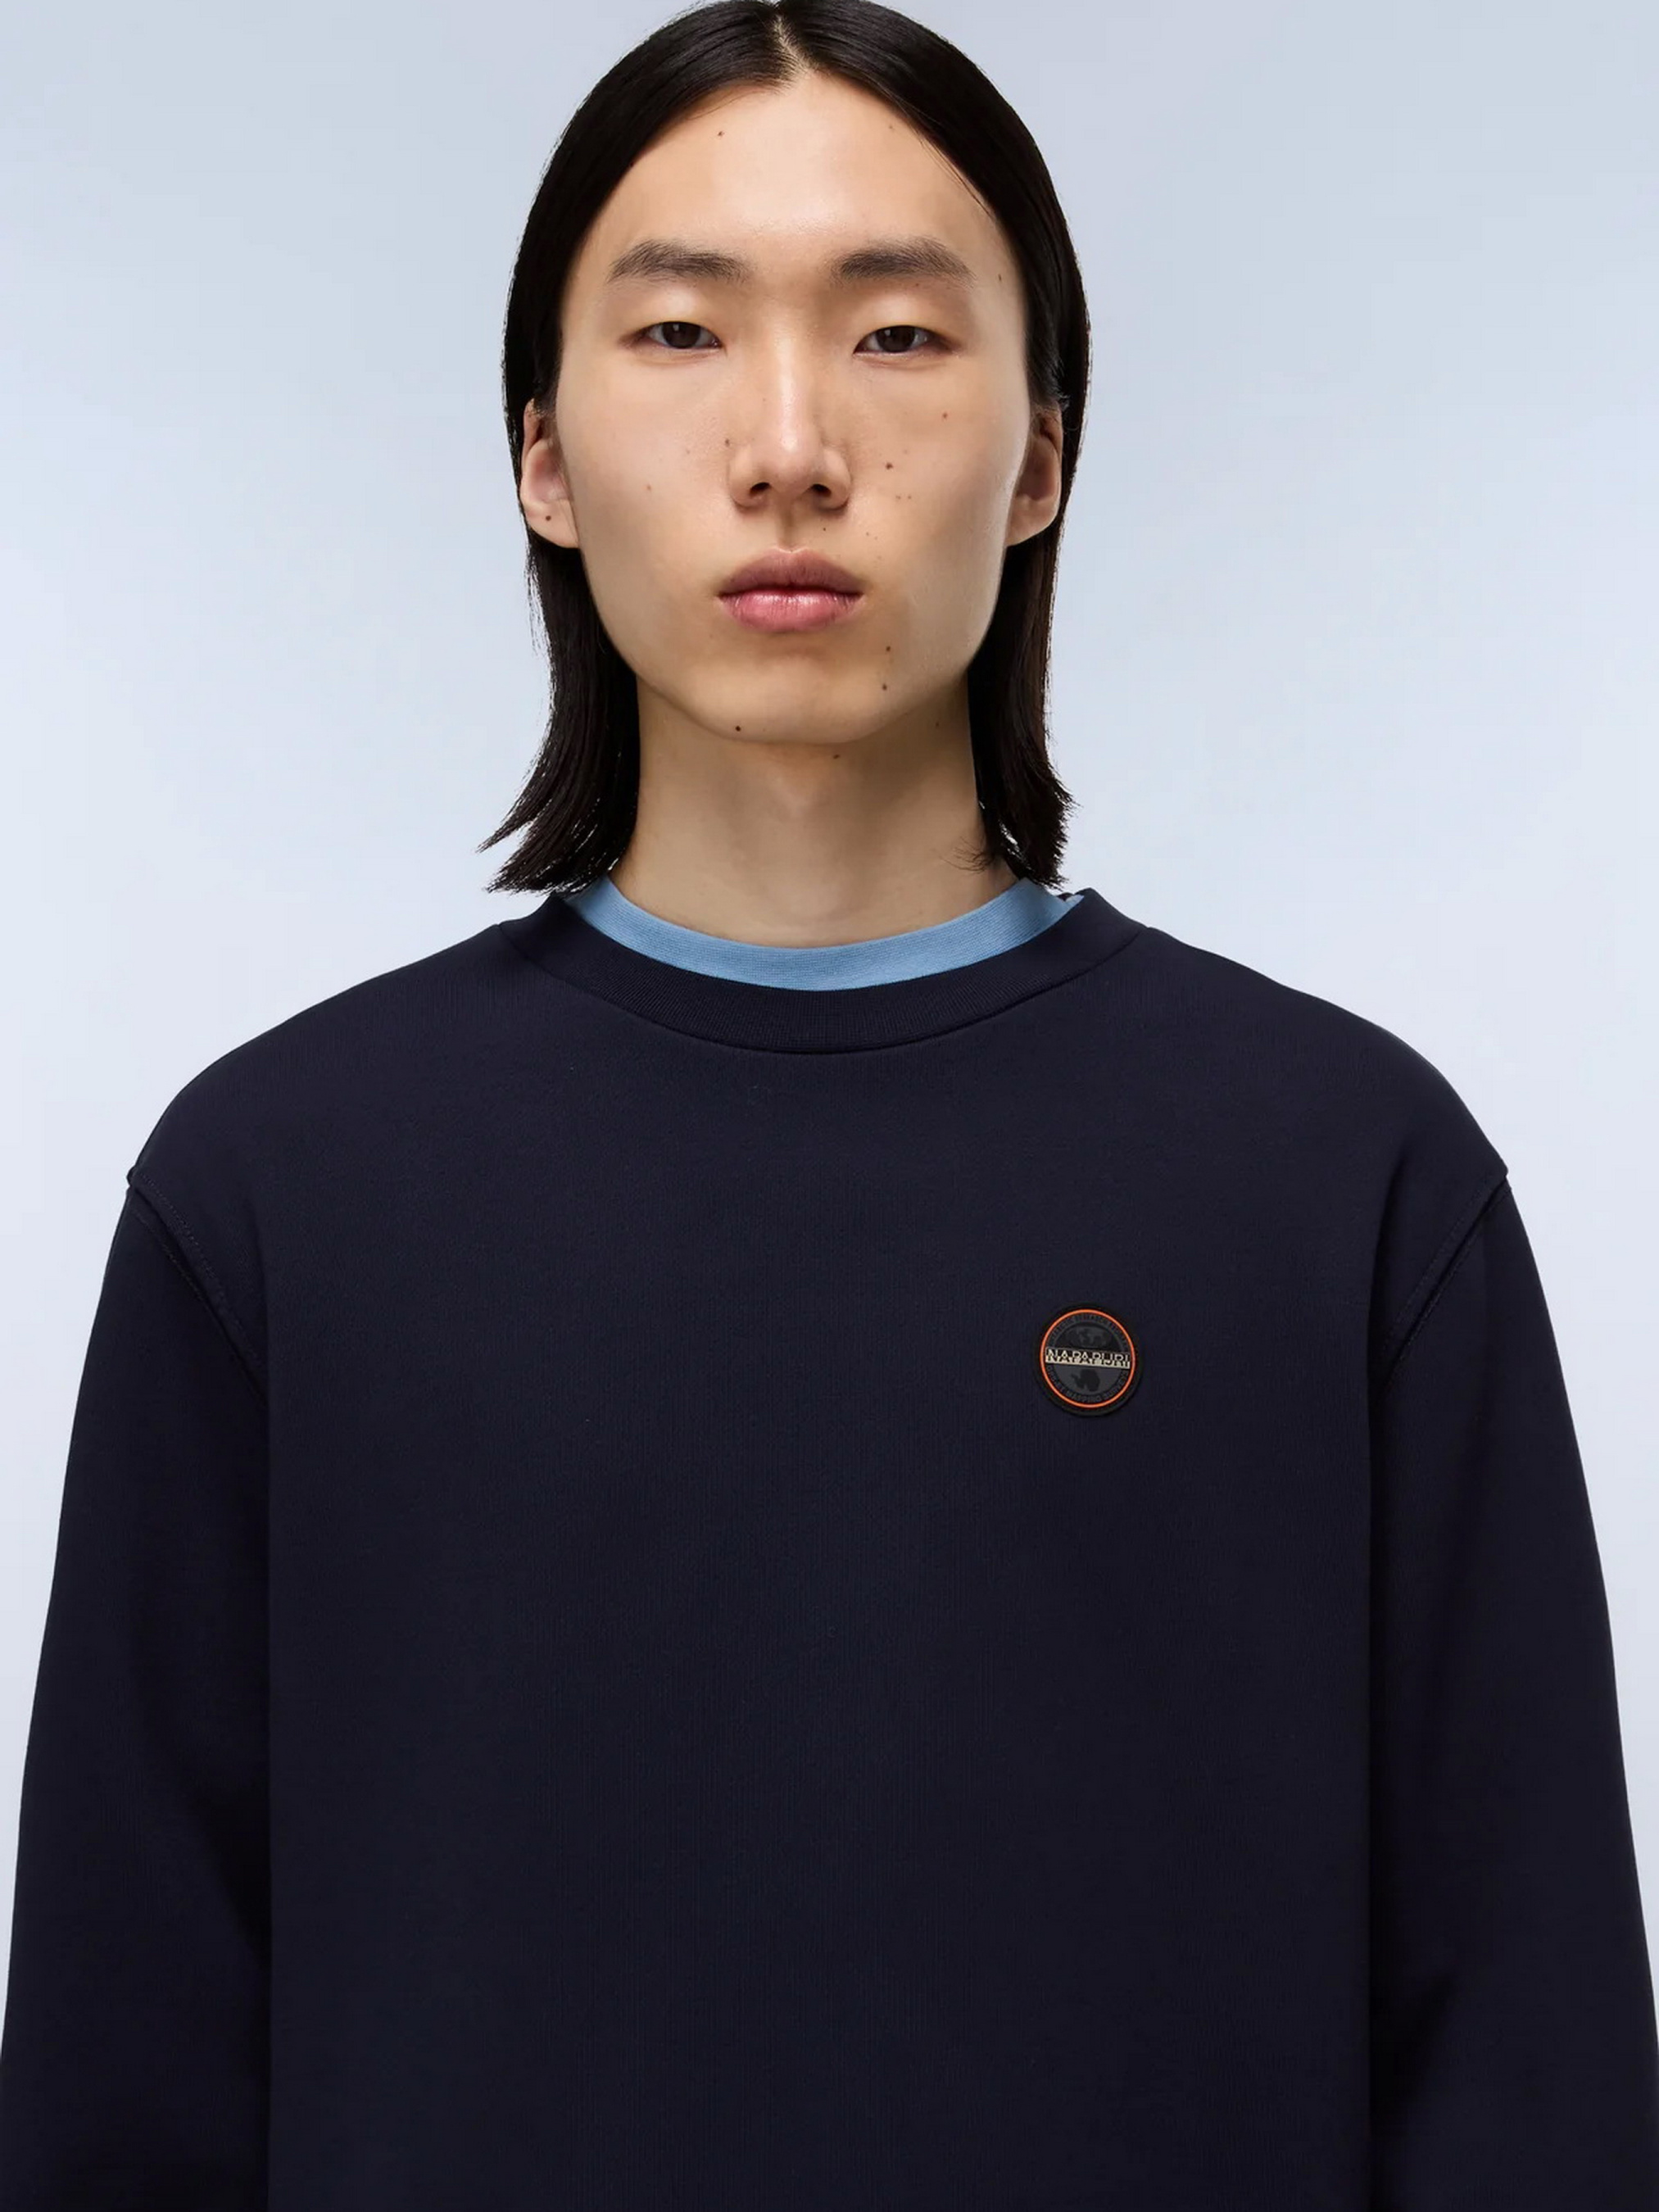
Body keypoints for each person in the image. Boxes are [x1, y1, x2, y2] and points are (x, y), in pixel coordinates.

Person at [2, 0, 1657, 2203]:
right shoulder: (278, 1195)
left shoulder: (1346, 1180)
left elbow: (1530, 2073)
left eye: (894, 337)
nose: (788, 447)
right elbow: (118, 2083)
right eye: (681, 333)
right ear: (541, 456)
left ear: (1042, 453)